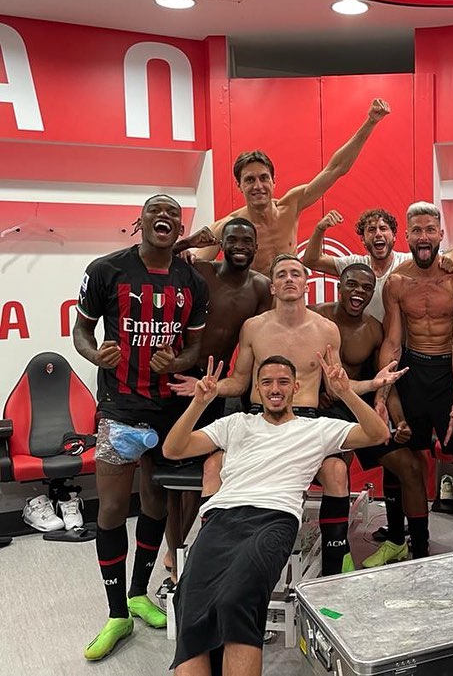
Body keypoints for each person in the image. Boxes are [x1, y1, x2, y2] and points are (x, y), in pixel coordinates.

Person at [164, 351, 390, 676]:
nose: (275, 388)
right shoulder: (236, 423)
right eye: (267, 382)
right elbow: (172, 449)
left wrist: (345, 392)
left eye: (283, 382)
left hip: (273, 518)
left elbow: (378, 434)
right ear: (256, 388)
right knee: (189, 600)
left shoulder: (317, 429)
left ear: (296, 387)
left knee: (236, 599)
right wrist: (198, 404)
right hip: (222, 515)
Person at [72, 194, 209, 661]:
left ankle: (137, 595)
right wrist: (96, 355)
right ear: (141, 222)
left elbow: (194, 349)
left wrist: (179, 361)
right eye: (156, 211)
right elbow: (81, 332)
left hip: (168, 411)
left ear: (180, 228)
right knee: (112, 509)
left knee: (155, 503)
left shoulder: (192, 282)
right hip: (120, 409)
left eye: (173, 213)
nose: (164, 217)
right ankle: (116, 615)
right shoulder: (106, 270)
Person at [213, 254, 405, 575]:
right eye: (281, 274)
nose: (289, 279)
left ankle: (330, 574)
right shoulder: (253, 327)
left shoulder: (326, 330)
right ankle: (224, 559)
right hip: (261, 419)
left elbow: (338, 385)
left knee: (336, 471)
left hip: (306, 421)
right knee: (216, 467)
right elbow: (238, 382)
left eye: (296, 274)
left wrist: (374, 383)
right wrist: (209, 389)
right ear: (272, 286)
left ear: (306, 284)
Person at [161, 218, 272, 585]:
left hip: (215, 385)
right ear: (221, 244)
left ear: (255, 248)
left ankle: (182, 549)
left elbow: (262, 341)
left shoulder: (261, 287)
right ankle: (174, 551)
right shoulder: (201, 270)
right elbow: (155, 256)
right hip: (178, 377)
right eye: (232, 239)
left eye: (246, 241)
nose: (239, 246)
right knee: (171, 472)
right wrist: (186, 243)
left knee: (203, 472)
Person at [377, 202, 453, 548]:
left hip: (450, 370)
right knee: (406, 455)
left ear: (440, 234)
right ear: (407, 237)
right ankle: (416, 545)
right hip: (413, 372)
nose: (424, 237)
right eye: (417, 231)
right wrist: (382, 395)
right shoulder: (396, 282)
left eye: (430, 230)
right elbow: (393, 342)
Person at [188, 99, 391, 275]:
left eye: (264, 178)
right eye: (249, 180)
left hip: (291, 299)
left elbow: (336, 169)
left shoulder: (291, 205)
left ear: (273, 181)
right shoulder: (228, 226)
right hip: (254, 304)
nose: (258, 186)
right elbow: (195, 263)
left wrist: (370, 122)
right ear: (239, 185)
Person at [312, 263, 429, 564]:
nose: (359, 292)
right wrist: (312, 395)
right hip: (323, 410)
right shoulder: (316, 318)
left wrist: (399, 421)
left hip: (357, 404)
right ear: (339, 286)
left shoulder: (374, 329)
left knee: (409, 466)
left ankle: (417, 548)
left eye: (366, 288)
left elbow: (386, 381)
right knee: (338, 468)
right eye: (352, 284)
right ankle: (339, 555)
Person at [302, 208, 412, 323]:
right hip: (368, 334)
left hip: (401, 334)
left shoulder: (409, 262)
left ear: (394, 236)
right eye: (371, 230)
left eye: (383, 228)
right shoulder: (355, 266)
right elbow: (312, 261)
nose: (378, 234)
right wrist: (320, 229)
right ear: (363, 239)